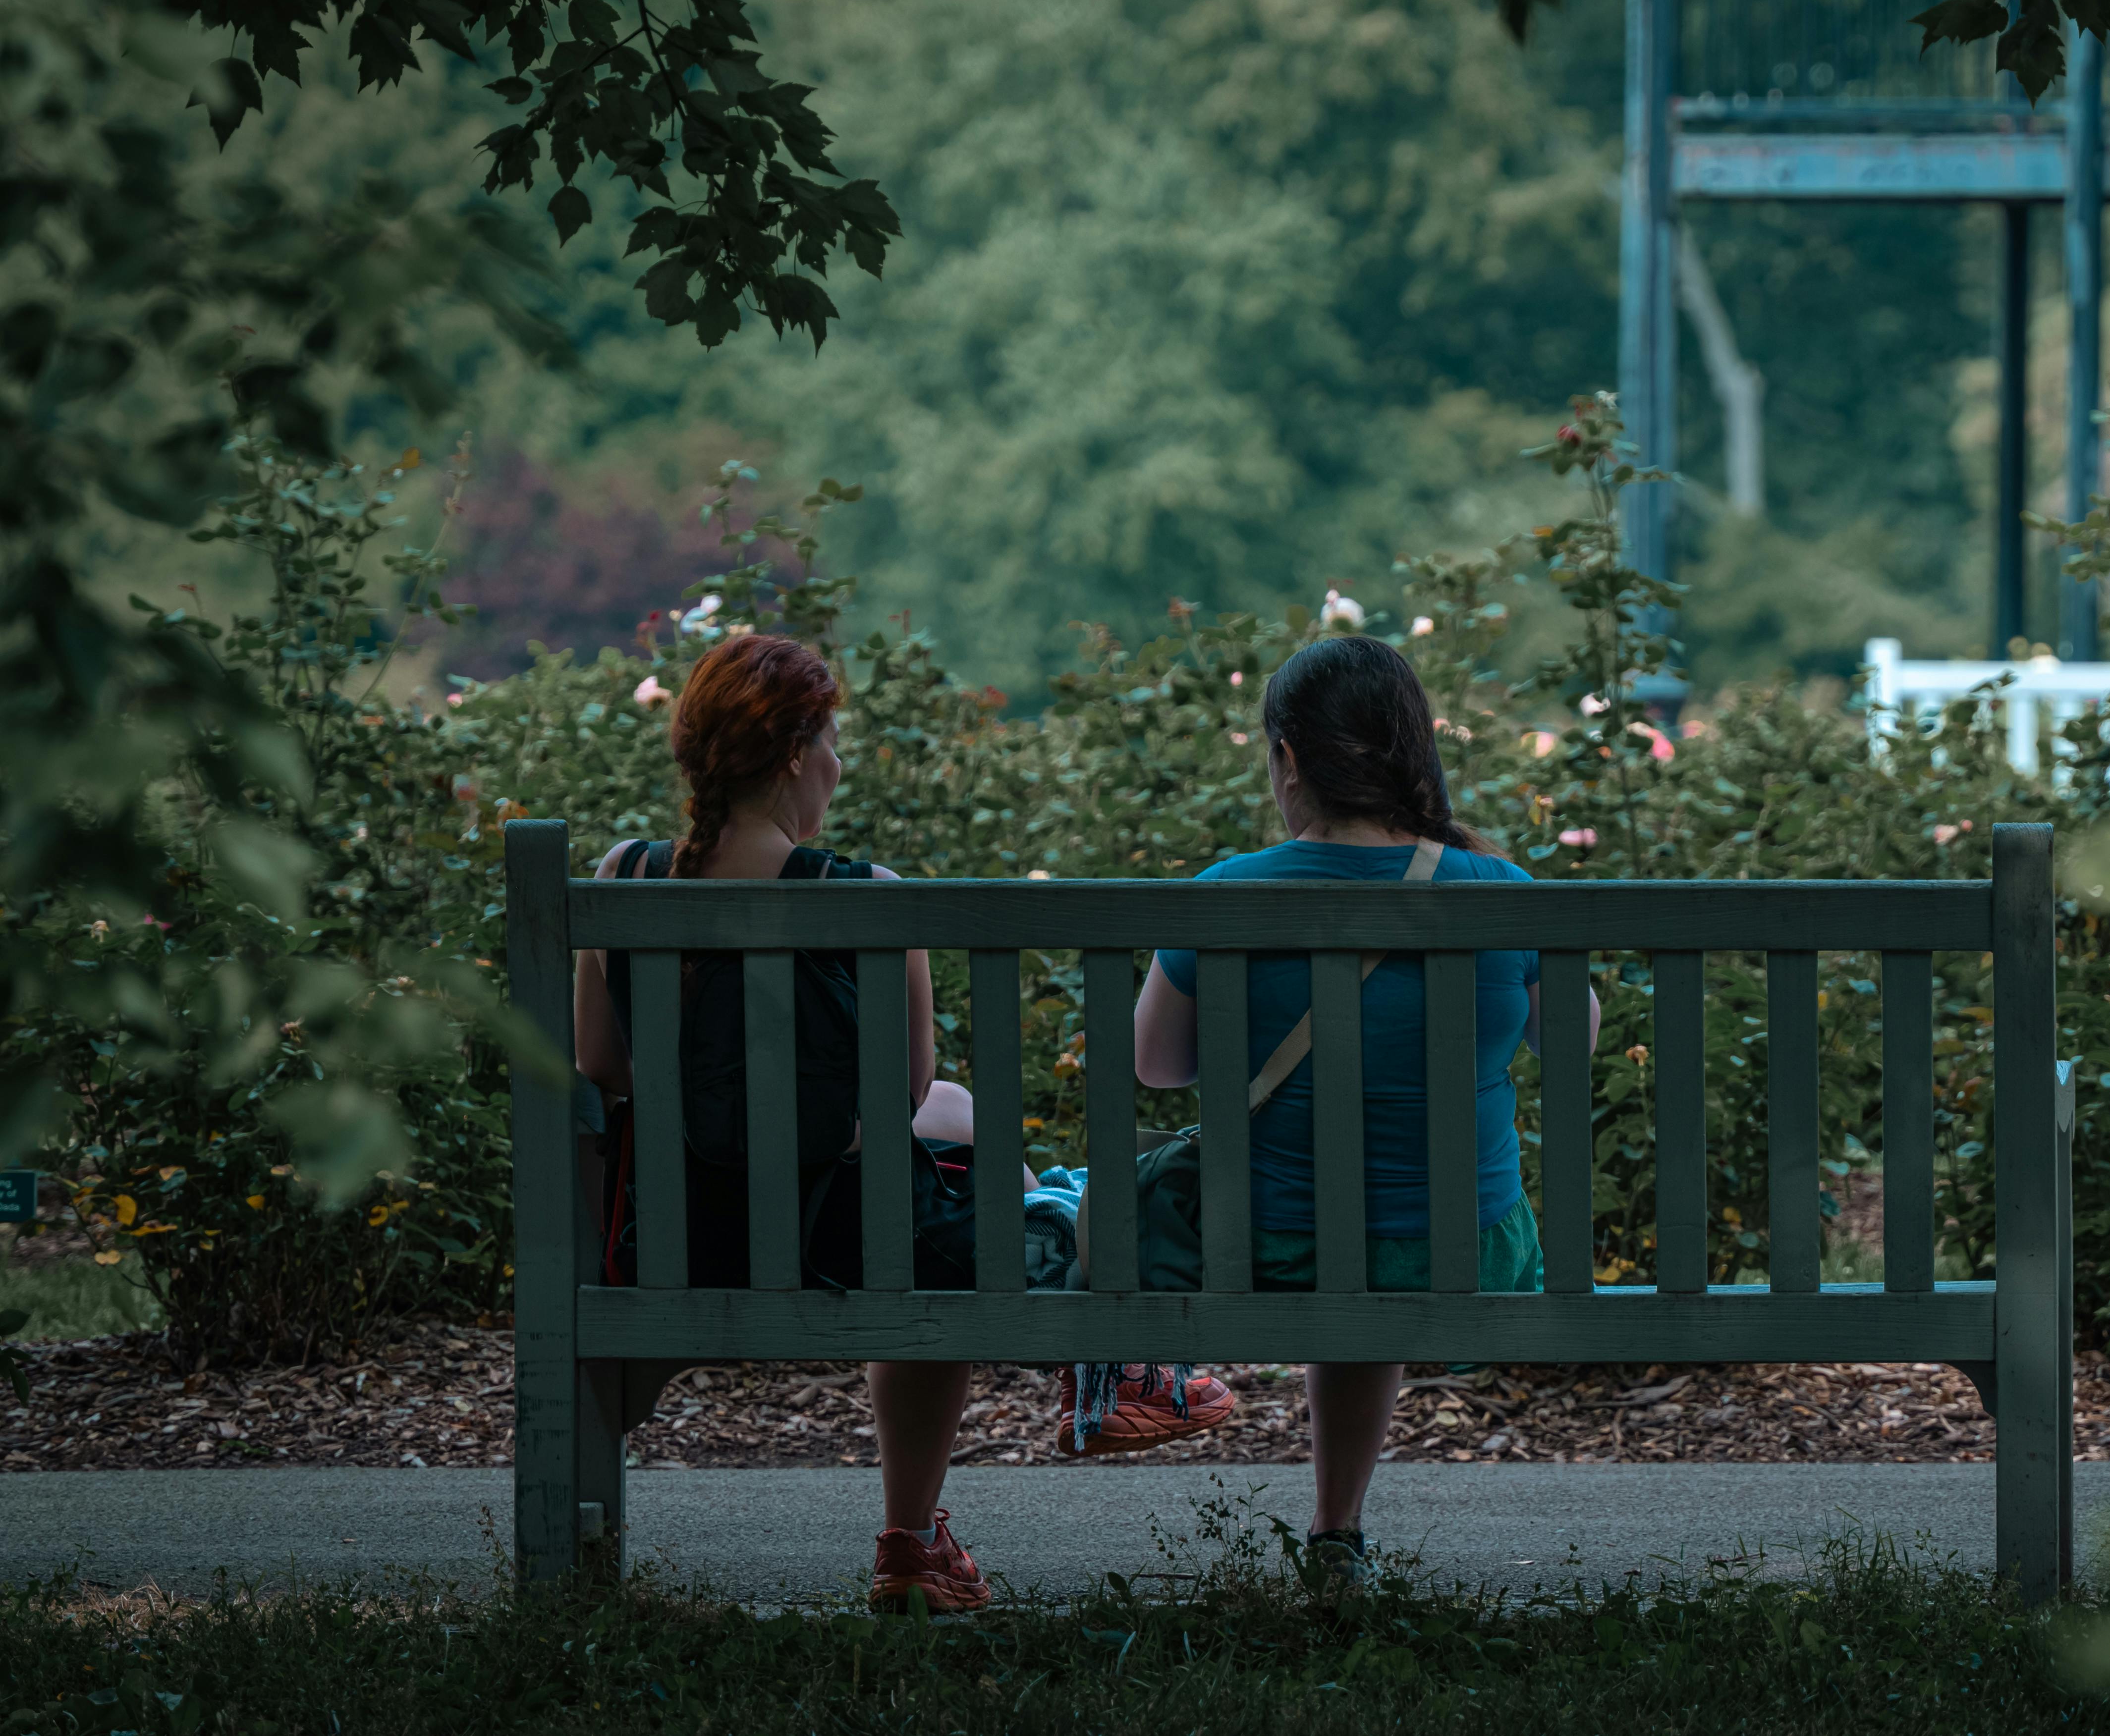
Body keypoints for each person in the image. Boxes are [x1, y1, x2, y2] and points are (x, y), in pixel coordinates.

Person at [572, 632, 1228, 1614]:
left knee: (961, 1128)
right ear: (796, 752)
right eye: (831, 740)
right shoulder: (869, 900)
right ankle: (919, 1531)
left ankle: (589, 1517)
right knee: (943, 1199)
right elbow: (903, 1093)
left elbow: (602, 1069)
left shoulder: (622, 877)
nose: (836, 763)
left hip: (674, 1236)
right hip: (843, 1239)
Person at [1131, 634, 1600, 1582]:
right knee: (1384, 1235)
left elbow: (1155, 1065)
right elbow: (1576, 1042)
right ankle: (1334, 1529)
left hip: (1270, 1249)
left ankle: (1337, 1527)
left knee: (1333, 1233)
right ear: (1409, 752)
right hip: (1467, 1250)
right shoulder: (1499, 891)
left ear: (1290, 759)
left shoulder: (1226, 895)